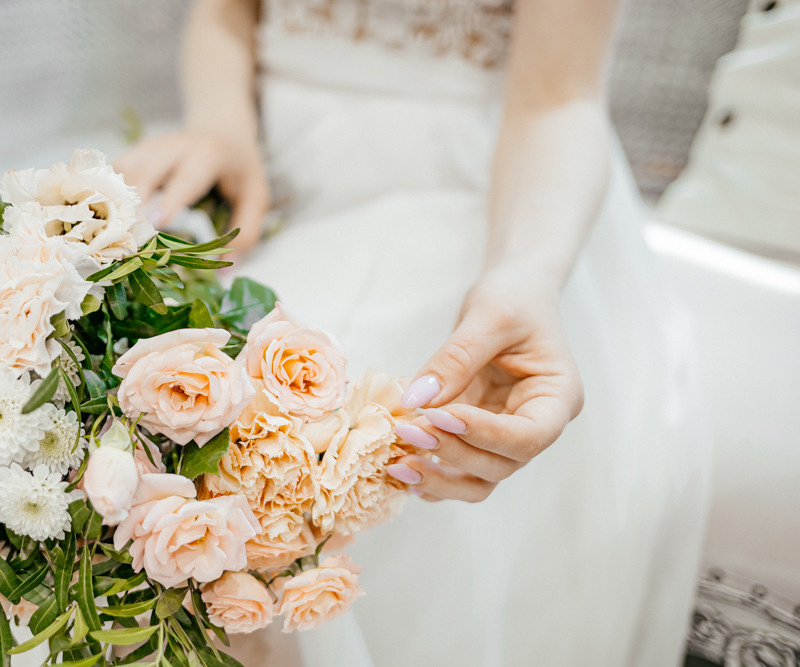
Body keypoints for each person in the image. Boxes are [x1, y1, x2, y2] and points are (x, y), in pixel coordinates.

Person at [115, 0, 710, 664]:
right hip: (273, 185)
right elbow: (225, 14)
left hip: (485, 203)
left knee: (307, 458)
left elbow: (557, 98)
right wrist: (221, 126)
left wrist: (527, 272)